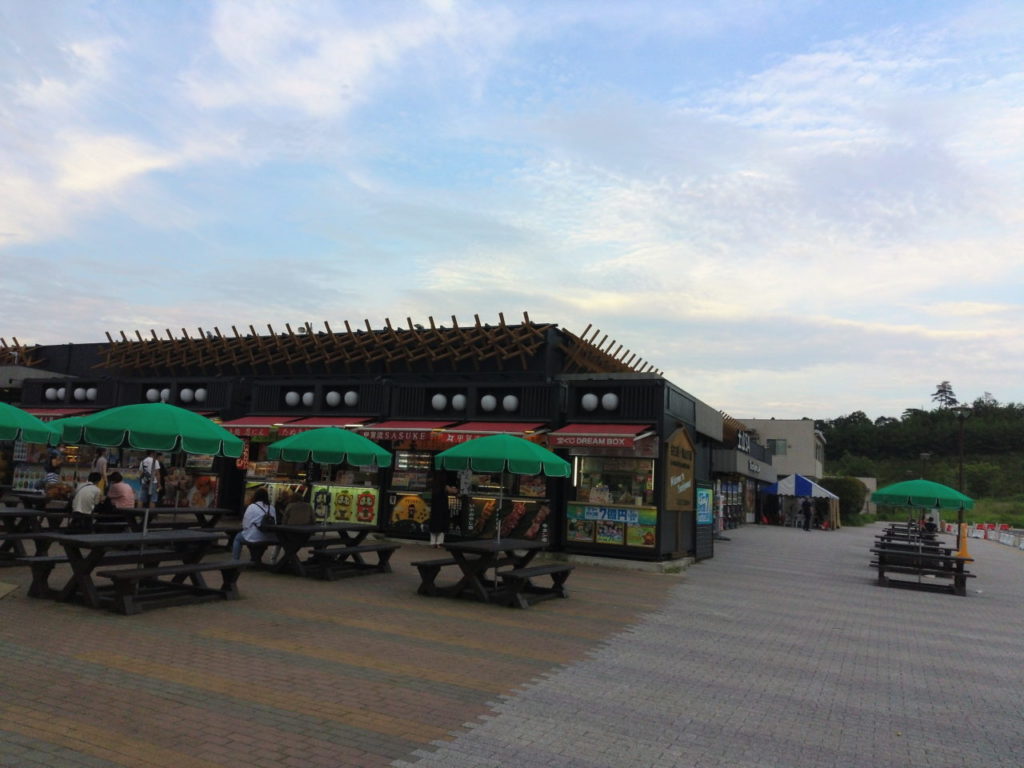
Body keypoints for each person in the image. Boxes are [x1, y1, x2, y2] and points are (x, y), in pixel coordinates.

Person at [233, 487, 277, 560]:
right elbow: (274, 522)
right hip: (270, 536)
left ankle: (235, 560)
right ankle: (256, 559)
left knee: (237, 538)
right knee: (257, 542)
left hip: (254, 536)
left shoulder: (252, 506)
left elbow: (245, 525)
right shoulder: (272, 508)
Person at [428, 472, 457, 548]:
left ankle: (433, 542)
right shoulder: (444, 485)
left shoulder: (434, 483)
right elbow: (453, 491)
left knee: (434, 523)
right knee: (442, 523)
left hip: (435, 504)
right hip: (442, 504)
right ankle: (439, 543)